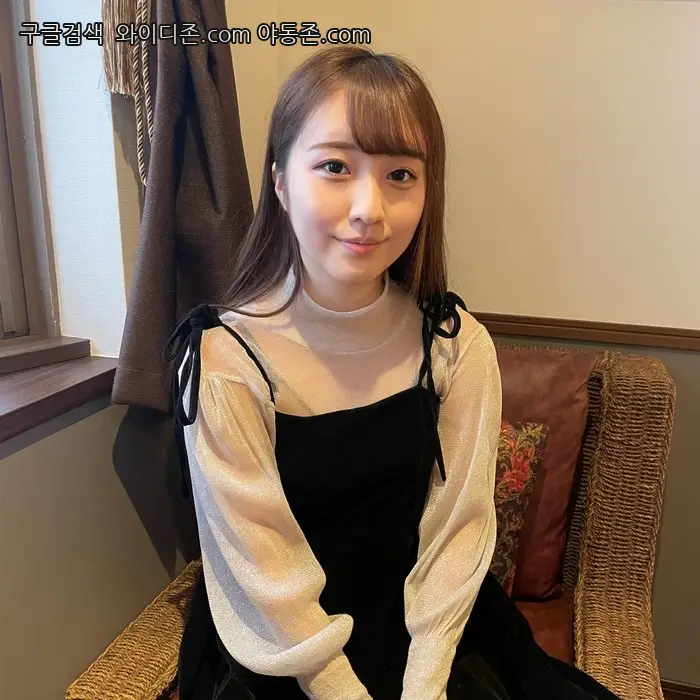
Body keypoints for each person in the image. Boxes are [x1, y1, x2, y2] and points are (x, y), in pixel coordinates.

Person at [164, 46, 620, 700]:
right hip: (284, 649)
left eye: (400, 174)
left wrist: (425, 685)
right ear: (282, 182)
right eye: (334, 167)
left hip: (435, 633)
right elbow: (260, 564)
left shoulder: (455, 345)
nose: (368, 209)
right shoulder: (224, 358)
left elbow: (458, 531)